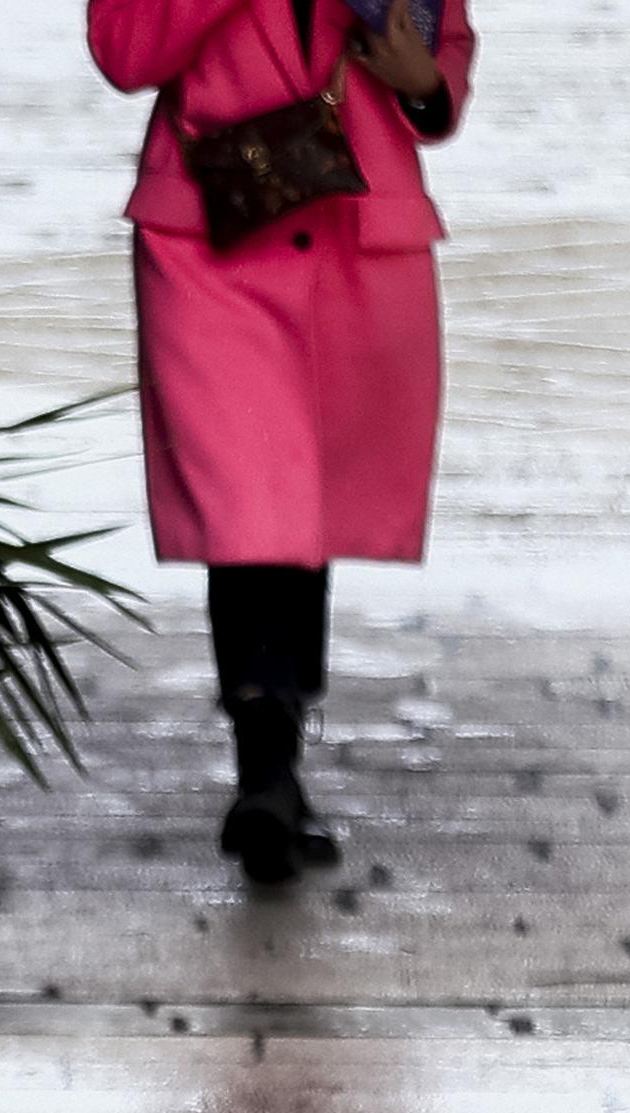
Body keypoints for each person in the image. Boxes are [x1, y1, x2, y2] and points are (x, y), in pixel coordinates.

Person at [90, 0, 477, 884]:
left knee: (302, 510)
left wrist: (426, 84)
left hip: (355, 233)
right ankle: (265, 764)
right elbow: (122, 49)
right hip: (209, 239)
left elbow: (443, 44)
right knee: (250, 506)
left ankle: (277, 763)